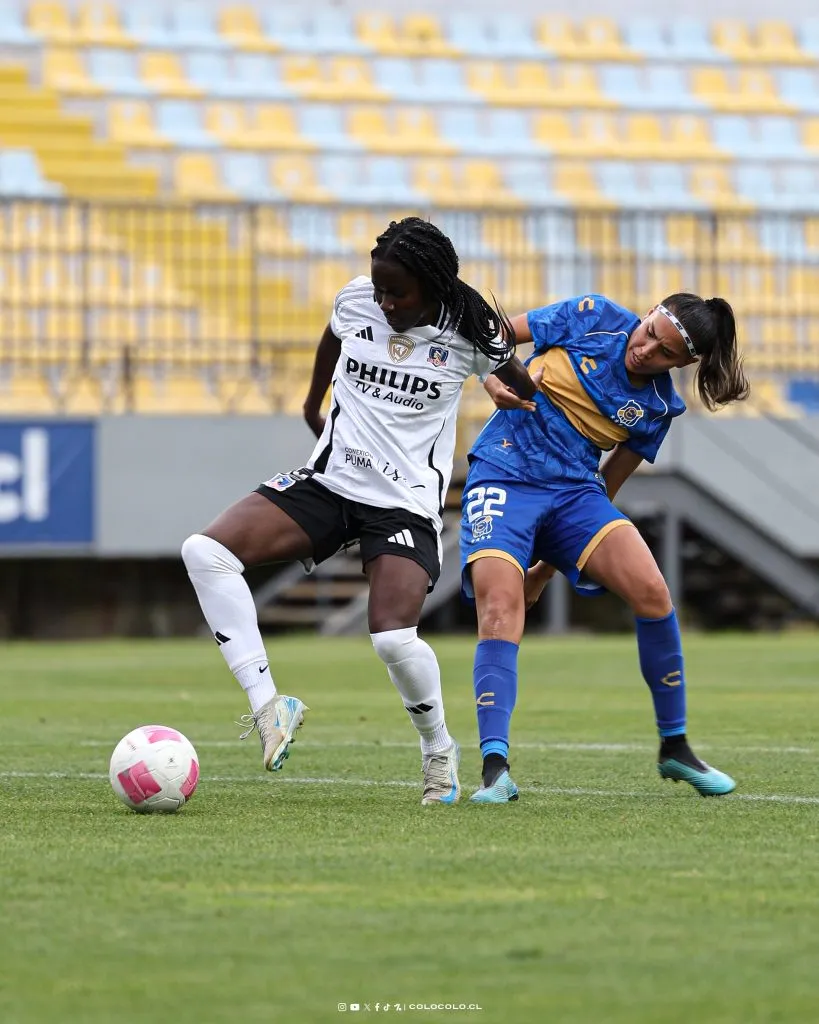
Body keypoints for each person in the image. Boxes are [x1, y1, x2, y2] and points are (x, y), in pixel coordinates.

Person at [181, 216, 536, 805]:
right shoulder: (356, 301)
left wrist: (498, 385)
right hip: (330, 482)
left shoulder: (472, 330)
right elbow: (334, 334)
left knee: (393, 639)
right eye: (380, 289)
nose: (385, 302)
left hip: (403, 504)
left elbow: (521, 384)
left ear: (432, 286)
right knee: (205, 552)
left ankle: (437, 750)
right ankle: (269, 708)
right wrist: (311, 402)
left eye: (398, 293)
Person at [459, 291, 751, 803]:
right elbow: (495, 335)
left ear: (683, 364)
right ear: (649, 313)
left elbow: (608, 482)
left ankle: (675, 746)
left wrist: (545, 570)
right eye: (650, 333)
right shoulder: (591, 315)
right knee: (500, 607)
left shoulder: (659, 406)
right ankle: (494, 767)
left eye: (664, 353)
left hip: (575, 492)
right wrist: (491, 379)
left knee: (652, 592)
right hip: (504, 472)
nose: (646, 350)